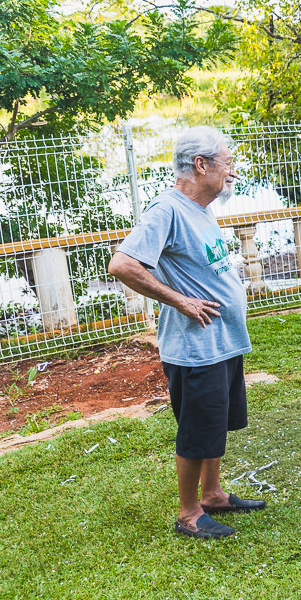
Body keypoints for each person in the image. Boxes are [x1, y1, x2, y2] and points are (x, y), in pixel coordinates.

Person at [108, 126, 262, 540]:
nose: (232, 172)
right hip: (196, 348)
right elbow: (122, 265)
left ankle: (212, 494)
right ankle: (189, 513)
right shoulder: (167, 210)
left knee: (216, 422)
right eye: (227, 163)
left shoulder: (201, 208)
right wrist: (181, 301)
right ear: (201, 165)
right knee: (196, 431)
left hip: (221, 341)